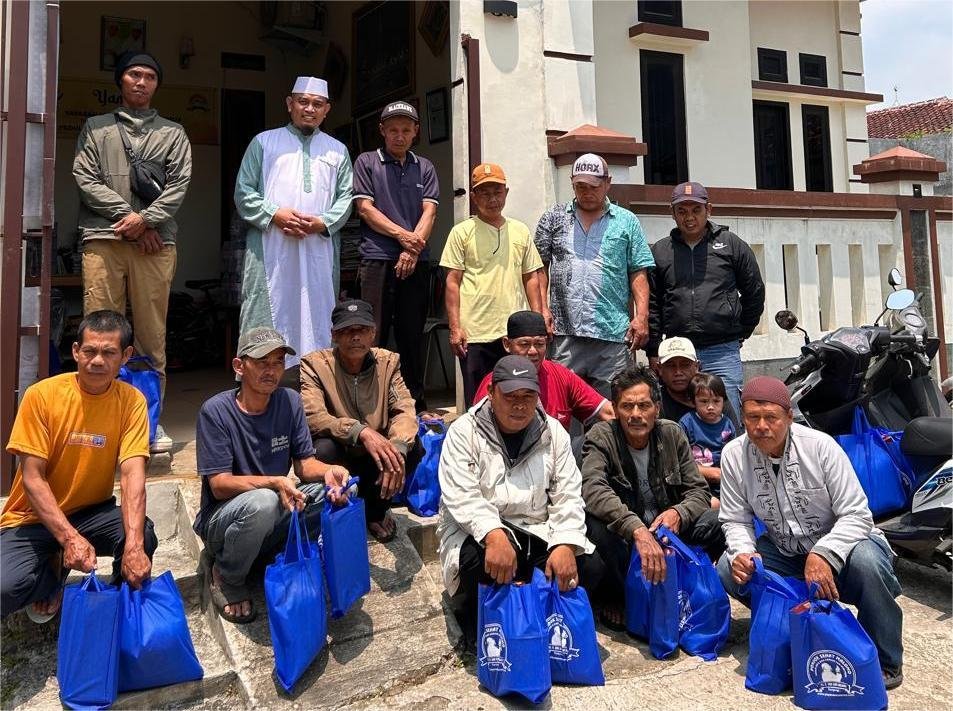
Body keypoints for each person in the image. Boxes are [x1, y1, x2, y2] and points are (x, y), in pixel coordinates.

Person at [717, 376, 905, 689]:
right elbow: (735, 519)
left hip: (841, 547)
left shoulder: (820, 447)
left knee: (869, 563)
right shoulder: (734, 455)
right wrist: (742, 552)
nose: (762, 426)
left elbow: (857, 514)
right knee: (728, 567)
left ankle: (884, 658)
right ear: (743, 416)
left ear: (788, 417)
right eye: (752, 417)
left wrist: (824, 553)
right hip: (785, 550)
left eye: (771, 418)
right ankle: (795, 626)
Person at [1, 310, 157, 620]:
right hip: (31, 518)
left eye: (109, 352)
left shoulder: (132, 401)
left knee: (142, 534)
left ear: (125, 356)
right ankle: (50, 574)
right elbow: (32, 479)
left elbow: (132, 475)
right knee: (4, 588)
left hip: (91, 511)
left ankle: (113, 609)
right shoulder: (42, 396)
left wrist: (135, 545)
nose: (97, 360)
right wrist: (69, 539)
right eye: (89, 351)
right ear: (75, 352)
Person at [73, 51, 192, 455]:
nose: (141, 82)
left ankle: (148, 423)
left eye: (149, 77)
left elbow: (178, 186)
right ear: (120, 80)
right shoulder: (96, 128)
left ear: (157, 84)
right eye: (133, 74)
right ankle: (95, 421)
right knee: (100, 333)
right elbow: (84, 178)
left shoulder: (173, 133)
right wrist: (130, 217)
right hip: (104, 240)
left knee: (150, 336)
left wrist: (146, 222)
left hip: (155, 245)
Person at [437, 355, 604, 639]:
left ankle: (535, 618)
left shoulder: (553, 432)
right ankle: (479, 616)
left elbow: (568, 494)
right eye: (510, 396)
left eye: (528, 396)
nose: (520, 405)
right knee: (479, 565)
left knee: (591, 567)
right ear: (491, 393)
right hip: (480, 529)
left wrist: (565, 542)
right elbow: (462, 494)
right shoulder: (464, 431)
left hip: (536, 527)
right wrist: (493, 534)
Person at [193, 327, 349, 624]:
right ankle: (227, 573)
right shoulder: (216, 411)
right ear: (240, 366)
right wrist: (274, 482)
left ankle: (272, 554)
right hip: (223, 519)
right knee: (264, 502)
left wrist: (332, 472)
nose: (272, 370)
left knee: (340, 492)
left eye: (278, 362)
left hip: (272, 508)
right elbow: (219, 485)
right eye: (262, 362)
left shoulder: (289, 401)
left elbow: (304, 465)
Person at [580, 365, 724, 629]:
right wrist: (635, 528)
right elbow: (592, 489)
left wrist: (678, 513)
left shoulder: (671, 433)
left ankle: (682, 584)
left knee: (719, 521)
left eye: (644, 406)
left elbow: (698, 490)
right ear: (615, 408)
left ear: (656, 408)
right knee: (596, 528)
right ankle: (620, 596)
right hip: (627, 538)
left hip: (667, 532)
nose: (636, 415)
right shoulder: (601, 436)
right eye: (627, 406)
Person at [235, 76, 353, 379]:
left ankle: (316, 392)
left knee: (318, 315)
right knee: (267, 313)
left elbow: (346, 199)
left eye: (317, 104)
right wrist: (275, 214)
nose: (309, 109)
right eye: (303, 101)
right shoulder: (263, 142)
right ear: (290, 104)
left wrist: (321, 223)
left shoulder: (338, 151)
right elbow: (244, 193)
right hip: (272, 248)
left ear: (327, 109)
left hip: (319, 250)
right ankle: (257, 389)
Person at [300, 299, 421, 543]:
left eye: (362, 330)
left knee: (411, 446)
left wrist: (396, 448)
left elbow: (404, 410)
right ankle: (341, 506)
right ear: (334, 335)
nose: (355, 337)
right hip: (341, 451)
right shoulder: (314, 365)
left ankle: (375, 511)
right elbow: (314, 416)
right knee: (321, 448)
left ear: (373, 333)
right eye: (346, 331)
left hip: (375, 458)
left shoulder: (388, 362)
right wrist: (360, 431)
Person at [534, 153, 655, 396]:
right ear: (572, 183)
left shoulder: (626, 221)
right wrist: (541, 311)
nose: (587, 192)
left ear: (607, 183)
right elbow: (538, 267)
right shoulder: (554, 218)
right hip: (564, 332)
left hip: (611, 333)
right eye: (580, 186)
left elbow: (637, 271)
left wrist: (641, 317)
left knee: (613, 407)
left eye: (593, 186)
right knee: (563, 406)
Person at [647, 181, 765, 416]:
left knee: (727, 417)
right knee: (676, 420)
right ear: (672, 213)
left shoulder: (732, 245)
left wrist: (741, 330)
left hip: (721, 352)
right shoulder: (660, 251)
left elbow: (754, 292)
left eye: (696, 210)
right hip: (677, 353)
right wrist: (653, 349)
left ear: (708, 210)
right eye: (682, 211)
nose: (689, 217)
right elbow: (652, 303)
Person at [353, 101, 440, 412]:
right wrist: (405, 238)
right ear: (382, 131)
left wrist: (412, 249)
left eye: (405, 129)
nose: (399, 136)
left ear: (416, 131)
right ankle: (370, 404)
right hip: (377, 258)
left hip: (415, 261)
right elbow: (365, 209)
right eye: (393, 130)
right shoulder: (366, 162)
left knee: (411, 333)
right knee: (372, 332)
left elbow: (429, 212)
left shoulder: (425, 167)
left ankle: (414, 402)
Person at [440, 163, 544, 405]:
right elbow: (452, 282)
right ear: (474, 197)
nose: (492, 199)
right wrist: (455, 328)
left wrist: (536, 322)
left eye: (497, 192)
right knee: (478, 400)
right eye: (484, 193)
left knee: (518, 396)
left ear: (506, 193)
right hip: (475, 332)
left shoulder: (520, 231)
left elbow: (531, 276)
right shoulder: (461, 232)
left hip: (514, 333)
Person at [473, 310, 613, 430]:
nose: (533, 351)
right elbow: (477, 431)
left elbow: (608, 412)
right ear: (507, 344)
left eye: (540, 344)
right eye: (524, 344)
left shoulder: (561, 375)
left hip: (557, 455)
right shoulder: (494, 383)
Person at [678, 373, 737, 508]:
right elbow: (681, 460)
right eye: (704, 401)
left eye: (716, 401)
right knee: (714, 505)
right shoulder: (687, 423)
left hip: (725, 482)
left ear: (723, 401)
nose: (710, 407)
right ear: (693, 401)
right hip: (697, 484)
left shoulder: (728, 424)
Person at [655, 336, 738, 427]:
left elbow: (735, 438)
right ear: (660, 369)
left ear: (697, 366)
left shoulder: (715, 395)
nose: (678, 372)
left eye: (685, 365)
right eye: (671, 366)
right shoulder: (655, 403)